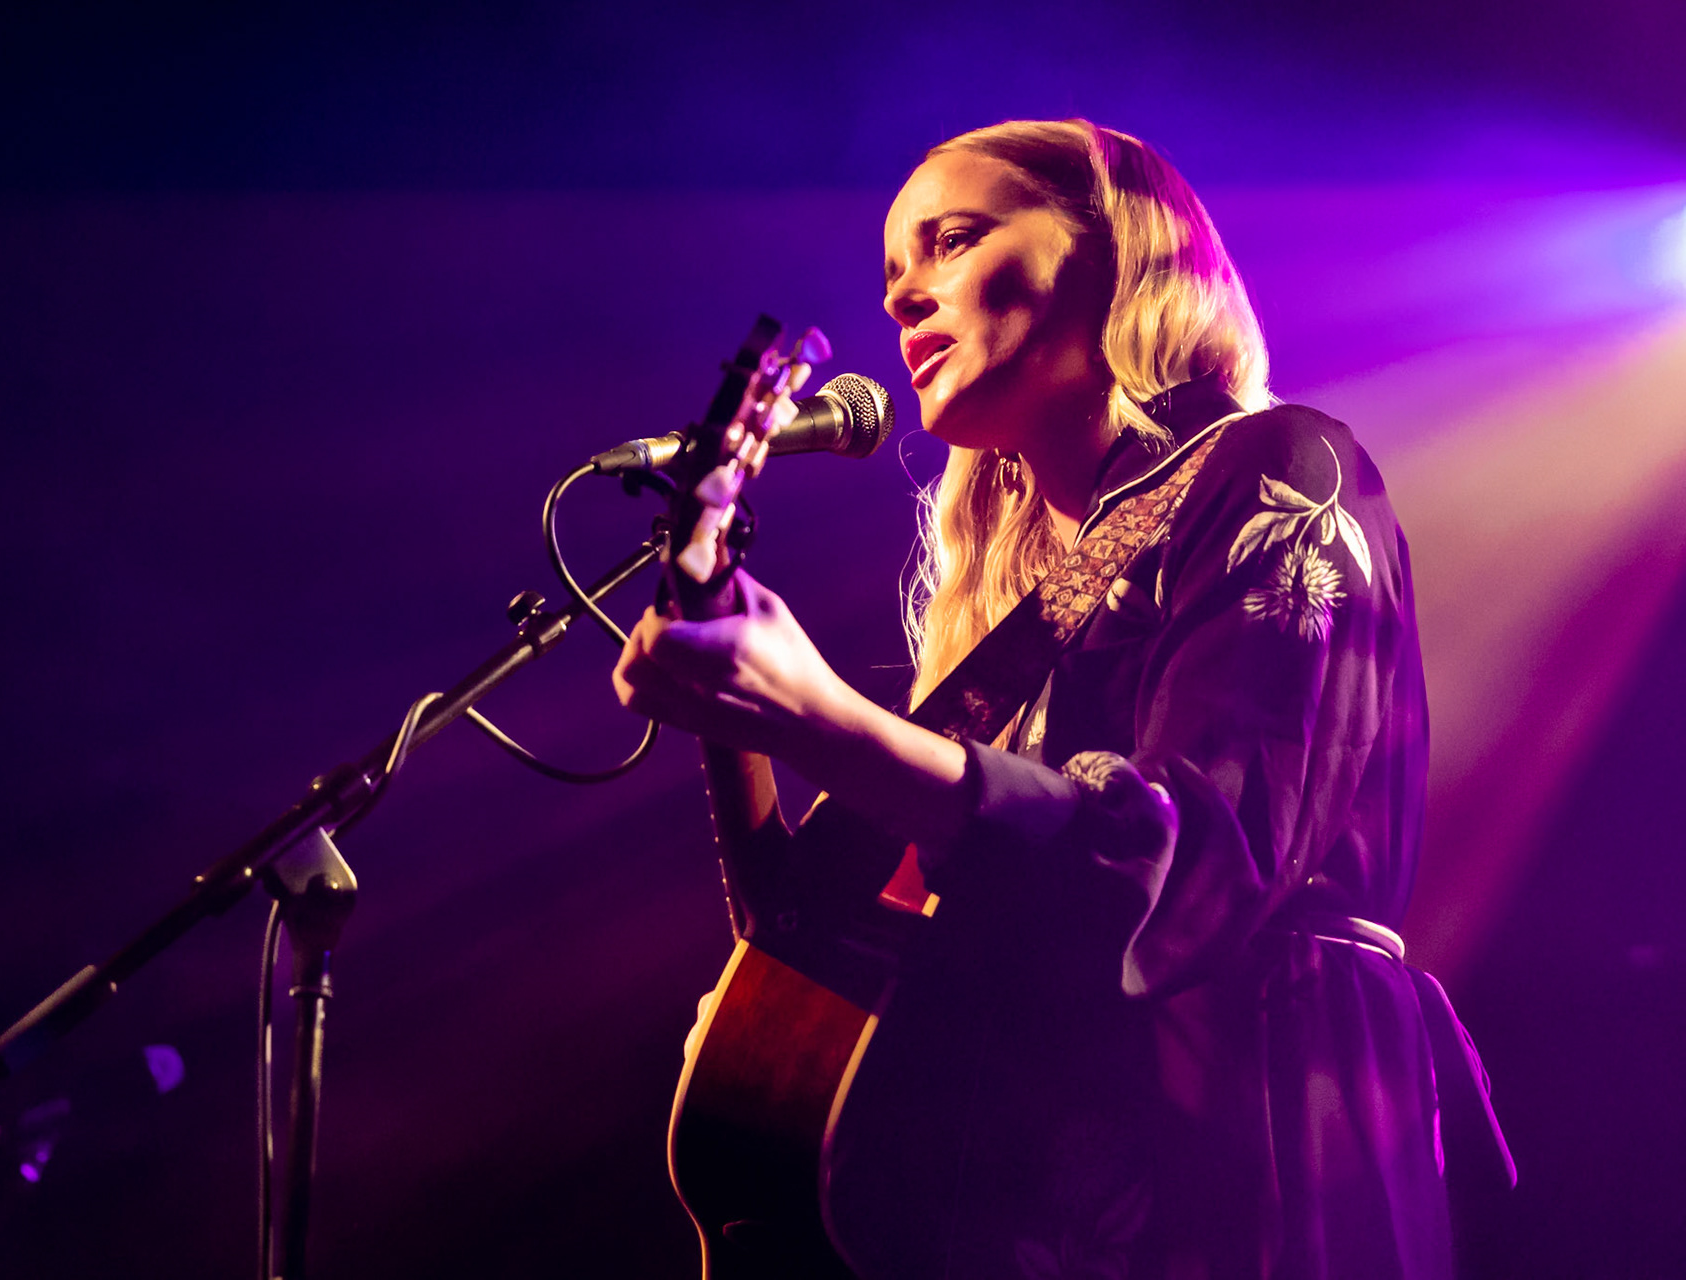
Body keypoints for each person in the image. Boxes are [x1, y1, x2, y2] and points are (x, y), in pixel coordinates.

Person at [614, 119, 1503, 1279]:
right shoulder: (1026, 615)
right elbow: (809, 944)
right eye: (894, 277)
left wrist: (820, 714)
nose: (906, 302)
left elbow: (1195, 857)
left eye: (953, 240)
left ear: (1113, 252)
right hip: (1044, 1197)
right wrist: (735, 717)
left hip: (1249, 1157)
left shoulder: (1281, 466)